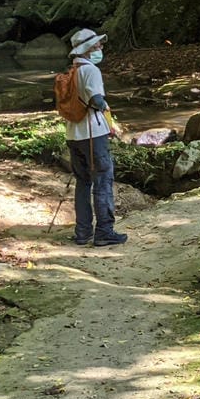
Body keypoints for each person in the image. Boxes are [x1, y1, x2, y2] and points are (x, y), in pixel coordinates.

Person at [65, 28, 127, 247]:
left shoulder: (73, 69)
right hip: (93, 134)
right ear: (88, 49)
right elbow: (95, 99)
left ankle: (82, 232)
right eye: (97, 45)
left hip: (73, 134)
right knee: (103, 181)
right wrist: (108, 112)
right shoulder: (91, 70)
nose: (101, 48)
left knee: (83, 182)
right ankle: (104, 232)